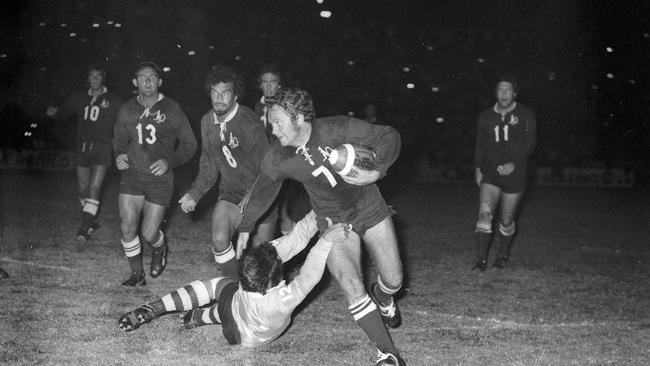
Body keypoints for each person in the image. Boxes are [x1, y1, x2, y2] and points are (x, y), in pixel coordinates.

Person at [237, 88, 406, 366]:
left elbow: (389, 136)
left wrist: (378, 169)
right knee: (351, 284)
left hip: (368, 206)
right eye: (270, 122)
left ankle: (383, 294)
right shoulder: (278, 157)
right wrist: (246, 226)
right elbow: (264, 188)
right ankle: (389, 354)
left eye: (278, 122)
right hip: (331, 218)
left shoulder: (337, 128)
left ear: (299, 118)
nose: (273, 128)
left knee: (394, 280)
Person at [118, 211, 349, 348]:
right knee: (231, 306)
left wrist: (318, 214)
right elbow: (308, 274)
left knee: (219, 287)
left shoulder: (252, 278)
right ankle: (200, 316)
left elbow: (293, 241)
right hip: (249, 337)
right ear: (269, 281)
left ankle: (154, 308)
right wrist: (325, 239)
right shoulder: (280, 299)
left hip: (238, 320)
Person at [178, 64, 276, 280]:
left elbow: (269, 168)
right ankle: (232, 290)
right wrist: (194, 193)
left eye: (225, 92)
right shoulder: (207, 122)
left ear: (235, 95)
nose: (219, 98)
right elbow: (209, 164)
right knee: (220, 240)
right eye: (214, 92)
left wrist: (253, 193)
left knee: (261, 262)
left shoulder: (248, 121)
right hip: (231, 193)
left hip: (262, 193)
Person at [113, 61, 197, 286]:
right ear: (135, 82)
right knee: (127, 227)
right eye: (142, 77)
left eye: (152, 77)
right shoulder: (126, 109)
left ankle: (160, 248)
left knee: (150, 233)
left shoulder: (172, 109)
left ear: (160, 81)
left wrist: (170, 161)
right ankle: (137, 274)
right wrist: (120, 154)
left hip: (159, 180)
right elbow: (119, 140)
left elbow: (190, 144)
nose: (147, 81)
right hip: (132, 176)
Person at [46, 65, 123, 244]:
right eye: (91, 76)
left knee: (94, 188)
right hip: (82, 147)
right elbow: (62, 114)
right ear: (87, 79)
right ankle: (91, 219)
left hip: (103, 148)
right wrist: (53, 114)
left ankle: (84, 227)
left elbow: (125, 118)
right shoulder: (78, 97)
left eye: (98, 76)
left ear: (103, 78)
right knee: (82, 188)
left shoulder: (114, 99)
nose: (95, 79)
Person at [472, 75, 537, 271]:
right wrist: (477, 168)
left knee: (507, 220)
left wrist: (513, 164)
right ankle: (481, 260)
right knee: (485, 214)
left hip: (515, 174)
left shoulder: (526, 114)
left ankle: (502, 255)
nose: (504, 93)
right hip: (491, 173)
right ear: (496, 93)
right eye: (501, 90)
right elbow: (480, 144)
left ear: (514, 93)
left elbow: (531, 143)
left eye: (508, 90)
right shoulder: (485, 117)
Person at [253, 63, 304, 235]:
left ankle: (284, 219)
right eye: (264, 82)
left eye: (272, 82)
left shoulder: (287, 106)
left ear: (279, 85)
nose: (268, 86)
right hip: (262, 161)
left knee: (279, 193)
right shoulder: (256, 108)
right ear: (260, 84)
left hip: (282, 158)